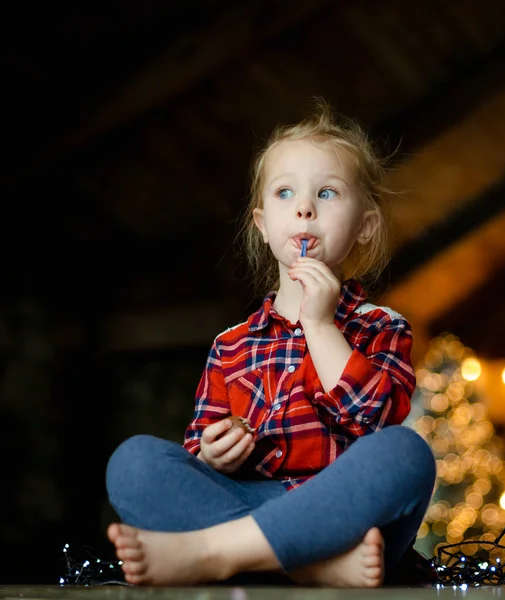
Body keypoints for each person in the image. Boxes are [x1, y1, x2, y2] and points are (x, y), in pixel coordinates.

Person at [105, 98, 436, 588]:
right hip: (246, 503)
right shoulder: (230, 345)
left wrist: (322, 325)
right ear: (262, 226)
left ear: (365, 224)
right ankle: (315, 567)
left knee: (407, 454)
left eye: (327, 193)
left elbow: (378, 419)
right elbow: (197, 446)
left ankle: (214, 553)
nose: (304, 207)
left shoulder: (381, 326)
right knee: (132, 463)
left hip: (344, 514)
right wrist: (212, 456)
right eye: (285, 193)